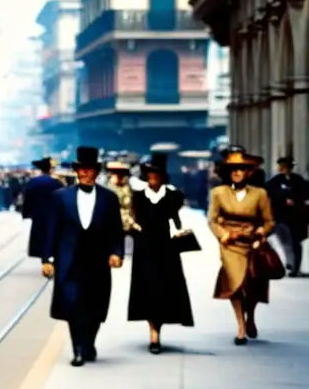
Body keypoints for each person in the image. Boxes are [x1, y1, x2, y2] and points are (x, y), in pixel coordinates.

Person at [41, 146, 125, 367]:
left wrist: (117, 253)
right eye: (82, 170)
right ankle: (77, 348)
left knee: (95, 305)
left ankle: (89, 343)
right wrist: (47, 258)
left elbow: (116, 229)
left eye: (90, 170)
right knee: (72, 304)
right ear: (77, 172)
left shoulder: (109, 198)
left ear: (97, 172)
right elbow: (52, 230)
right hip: (69, 260)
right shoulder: (60, 197)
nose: (86, 174)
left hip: (98, 260)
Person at [127, 152, 193, 353]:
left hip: (166, 248)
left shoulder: (173, 196)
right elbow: (131, 220)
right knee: (147, 289)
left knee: (165, 289)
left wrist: (181, 232)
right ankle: (153, 333)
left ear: (162, 176)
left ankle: (159, 326)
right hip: (145, 249)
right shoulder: (138, 197)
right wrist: (133, 227)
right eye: (149, 174)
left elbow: (178, 221)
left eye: (156, 174)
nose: (152, 177)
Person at [208, 147, 275, 345]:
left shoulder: (260, 194)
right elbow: (212, 220)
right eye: (234, 169)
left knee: (253, 283)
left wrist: (261, 234)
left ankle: (251, 316)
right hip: (229, 244)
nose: (237, 173)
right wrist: (223, 234)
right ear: (228, 172)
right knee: (234, 284)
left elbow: (269, 221)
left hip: (252, 242)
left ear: (248, 172)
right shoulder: (218, 193)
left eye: (241, 169)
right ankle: (240, 326)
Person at [266, 156, 308, 277]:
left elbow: (305, 194)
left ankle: (295, 267)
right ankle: (288, 264)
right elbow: (269, 195)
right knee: (285, 241)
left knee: (295, 242)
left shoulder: (298, 180)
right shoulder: (275, 182)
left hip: (296, 217)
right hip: (281, 216)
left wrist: (295, 200)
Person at [21, 157, 63, 259]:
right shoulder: (57, 182)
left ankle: (42, 255)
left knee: (39, 236)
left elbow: (27, 198)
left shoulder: (33, 182)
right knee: (51, 234)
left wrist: (25, 213)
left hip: (38, 214)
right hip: (53, 214)